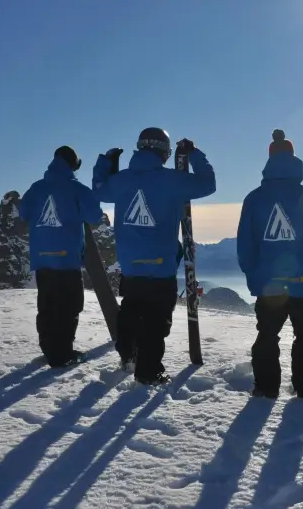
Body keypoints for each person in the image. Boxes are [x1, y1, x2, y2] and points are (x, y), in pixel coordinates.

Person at [92, 127, 216, 385]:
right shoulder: (171, 180)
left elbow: (99, 191)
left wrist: (106, 163)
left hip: (130, 266)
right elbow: (208, 184)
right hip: (161, 268)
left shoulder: (121, 181)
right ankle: (148, 372)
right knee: (156, 321)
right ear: (165, 153)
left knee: (131, 311)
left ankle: (128, 354)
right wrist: (194, 155)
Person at [236, 129, 303, 399]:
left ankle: (266, 388)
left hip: (269, 287)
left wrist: (253, 275)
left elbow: (245, 245)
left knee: (267, 336)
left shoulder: (254, 199)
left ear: (269, 160)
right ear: (294, 158)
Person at [19, 145, 105, 368]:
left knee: (47, 306)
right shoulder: (77, 189)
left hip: (43, 260)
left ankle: (49, 350)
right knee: (69, 307)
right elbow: (94, 216)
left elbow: (23, 212)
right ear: (73, 165)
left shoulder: (36, 188)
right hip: (67, 260)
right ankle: (63, 355)